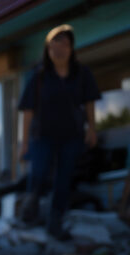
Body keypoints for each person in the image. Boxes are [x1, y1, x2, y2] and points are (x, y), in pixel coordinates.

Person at [18, 24, 101, 238]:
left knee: (63, 179)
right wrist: (24, 141)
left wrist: (91, 128)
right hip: (42, 135)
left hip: (71, 136)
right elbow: (27, 111)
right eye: (55, 43)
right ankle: (31, 207)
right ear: (47, 48)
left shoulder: (82, 74)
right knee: (38, 173)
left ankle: (54, 221)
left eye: (65, 43)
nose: (60, 48)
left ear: (72, 48)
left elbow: (89, 102)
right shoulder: (39, 77)